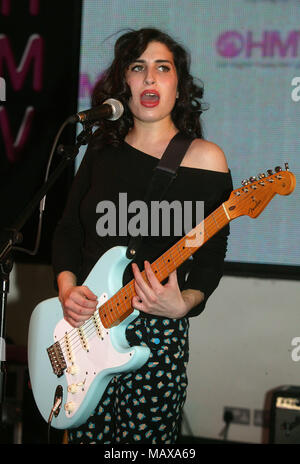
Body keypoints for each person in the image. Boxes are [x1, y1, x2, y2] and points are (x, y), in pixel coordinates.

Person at [52, 28, 233, 444]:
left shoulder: (207, 158)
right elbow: (68, 231)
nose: (150, 78)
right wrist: (67, 288)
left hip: (157, 334)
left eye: (162, 68)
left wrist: (183, 303)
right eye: (138, 68)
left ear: (178, 86)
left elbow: (212, 255)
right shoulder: (99, 150)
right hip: (86, 327)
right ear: (124, 84)